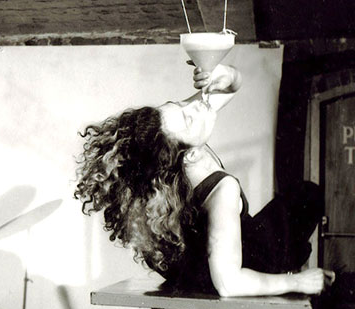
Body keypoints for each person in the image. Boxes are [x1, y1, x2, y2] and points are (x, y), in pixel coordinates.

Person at [74, 63, 335, 297]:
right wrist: (297, 282)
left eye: (179, 104)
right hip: (247, 263)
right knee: (307, 195)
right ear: (189, 155)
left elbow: (230, 87)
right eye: (187, 117)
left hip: (204, 262)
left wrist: (225, 74)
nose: (195, 105)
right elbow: (228, 285)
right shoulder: (222, 190)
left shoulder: (174, 147)